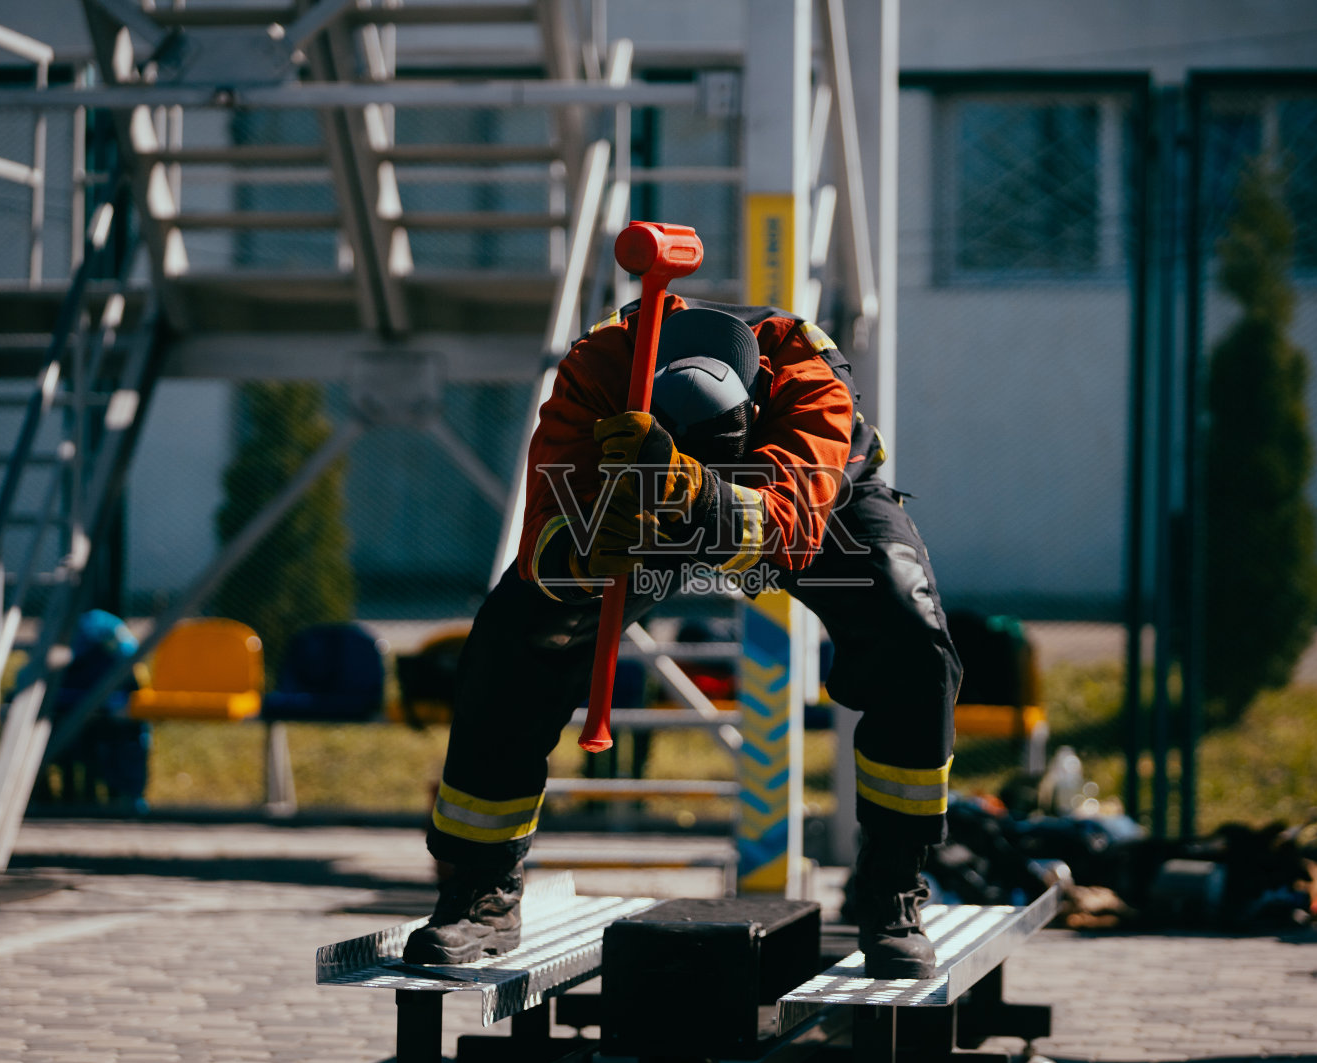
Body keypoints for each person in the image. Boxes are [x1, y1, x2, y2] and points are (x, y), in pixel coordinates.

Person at [403, 297, 962, 979]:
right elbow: (547, 524)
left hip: (811, 501)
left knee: (912, 640)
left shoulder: (805, 371)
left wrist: (691, 488)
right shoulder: (601, 367)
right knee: (515, 640)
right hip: (637, 491)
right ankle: (480, 891)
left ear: (753, 408)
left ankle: (891, 887)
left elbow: (787, 530)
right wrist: (582, 555)